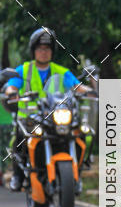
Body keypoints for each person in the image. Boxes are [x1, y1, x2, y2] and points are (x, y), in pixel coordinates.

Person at [5, 27, 95, 191]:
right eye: (40, 48)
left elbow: (77, 86)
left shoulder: (61, 71)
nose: (43, 52)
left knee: (80, 133)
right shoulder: (23, 70)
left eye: (47, 49)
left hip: (57, 116)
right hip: (31, 119)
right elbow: (11, 86)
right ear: (33, 51)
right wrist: (11, 93)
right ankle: (17, 175)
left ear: (52, 51)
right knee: (20, 136)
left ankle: (78, 172)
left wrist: (90, 91)